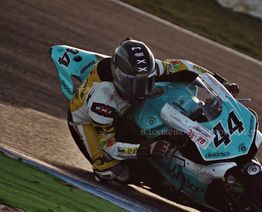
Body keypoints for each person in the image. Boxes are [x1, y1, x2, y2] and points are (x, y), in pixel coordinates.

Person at [68, 38, 240, 182]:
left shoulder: (147, 70)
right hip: (88, 120)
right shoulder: (101, 102)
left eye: (147, 81)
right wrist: (146, 149)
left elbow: (186, 67)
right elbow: (110, 146)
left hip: (124, 102)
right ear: (120, 78)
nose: (142, 90)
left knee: (176, 92)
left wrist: (219, 85)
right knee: (111, 172)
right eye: (136, 85)